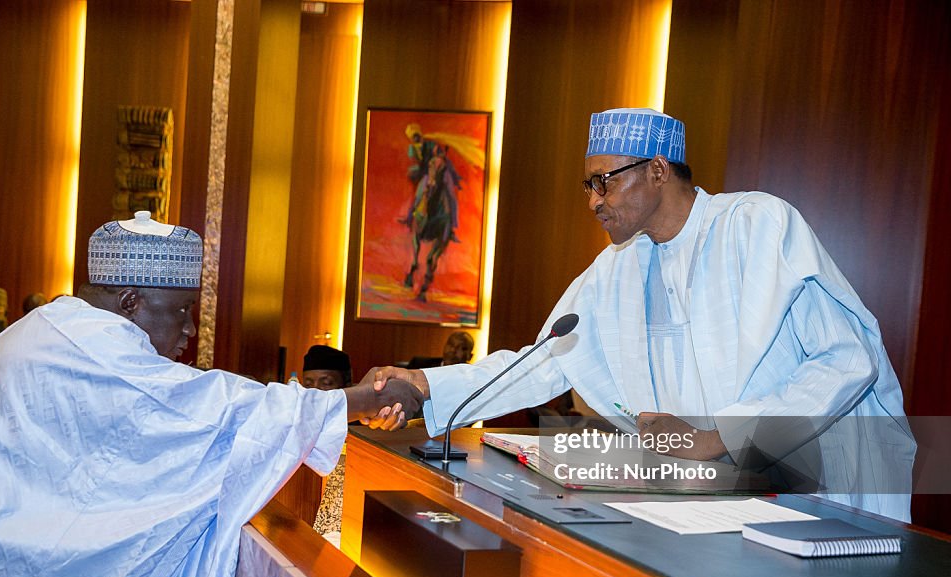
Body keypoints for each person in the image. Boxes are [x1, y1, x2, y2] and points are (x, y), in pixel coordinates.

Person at [0, 218, 422, 577]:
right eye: (182, 312)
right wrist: (361, 399)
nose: (189, 331)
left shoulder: (54, 326)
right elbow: (215, 412)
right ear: (128, 300)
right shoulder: (94, 346)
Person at [371, 107, 915, 523]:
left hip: (822, 496)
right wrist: (426, 384)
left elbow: (847, 360)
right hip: (718, 500)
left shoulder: (757, 226)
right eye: (589, 184)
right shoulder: (616, 268)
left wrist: (718, 437)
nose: (593, 201)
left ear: (658, 169)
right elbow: (542, 363)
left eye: (605, 181)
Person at [300, 345, 353, 541]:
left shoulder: (360, 427)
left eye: (326, 383)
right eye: (308, 384)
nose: (316, 392)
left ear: (346, 383)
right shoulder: (296, 423)